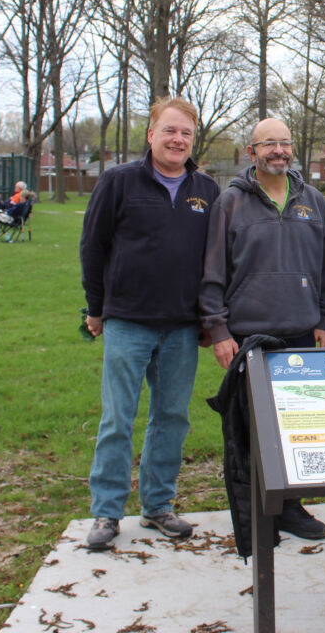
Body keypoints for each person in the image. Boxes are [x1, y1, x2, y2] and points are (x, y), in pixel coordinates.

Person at [79, 97, 221, 552]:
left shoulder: (207, 190)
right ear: (151, 134)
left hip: (181, 326)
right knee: (118, 417)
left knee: (172, 418)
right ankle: (107, 510)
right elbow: (93, 247)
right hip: (127, 322)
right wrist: (96, 308)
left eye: (185, 133)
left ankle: (159, 505)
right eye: (169, 131)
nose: (177, 140)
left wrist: (208, 321)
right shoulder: (119, 182)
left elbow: (215, 263)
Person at [199, 117, 325, 541]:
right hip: (248, 338)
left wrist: (322, 318)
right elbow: (212, 273)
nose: (278, 151)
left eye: (285, 143)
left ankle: (290, 509)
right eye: (268, 144)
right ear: (251, 152)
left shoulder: (311, 200)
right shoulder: (231, 204)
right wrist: (219, 332)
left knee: (295, 429)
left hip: (299, 333)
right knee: (252, 431)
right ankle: (256, 513)